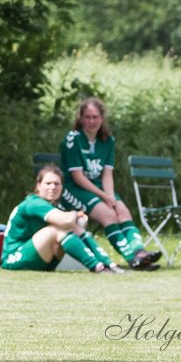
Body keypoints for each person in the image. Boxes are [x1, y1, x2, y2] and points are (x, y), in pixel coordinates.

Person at [59, 96, 161, 270]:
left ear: (102, 118)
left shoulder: (108, 141)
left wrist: (110, 196)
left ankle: (139, 253)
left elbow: (107, 173)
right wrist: (104, 196)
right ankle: (132, 259)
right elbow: (78, 177)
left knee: (122, 212)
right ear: (81, 118)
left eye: (95, 117)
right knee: (108, 215)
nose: (91, 121)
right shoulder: (73, 139)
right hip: (74, 189)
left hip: (98, 188)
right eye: (87, 117)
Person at [1, 164, 121, 272]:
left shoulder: (55, 206)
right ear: (38, 186)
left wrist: (77, 221)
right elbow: (67, 221)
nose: (53, 187)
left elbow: (75, 225)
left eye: (57, 184)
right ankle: (96, 266)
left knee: (69, 228)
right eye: (48, 183)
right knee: (58, 229)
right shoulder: (34, 203)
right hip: (14, 259)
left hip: (41, 260)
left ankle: (107, 263)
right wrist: (74, 214)